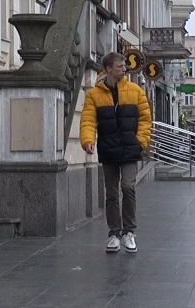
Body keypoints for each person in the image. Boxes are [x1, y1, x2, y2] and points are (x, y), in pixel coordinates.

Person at [80, 52, 152, 254]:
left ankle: (129, 232)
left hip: (130, 148)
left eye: (124, 66)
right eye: (120, 66)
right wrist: (87, 140)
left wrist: (141, 141)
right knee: (111, 193)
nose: (124, 69)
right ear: (109, 69)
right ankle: (114, 234)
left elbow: (146, 119)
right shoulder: (94, 94)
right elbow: (87, 120)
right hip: (108, 148)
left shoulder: (135, 91)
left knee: (128, 187)